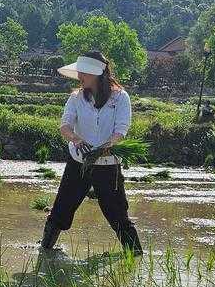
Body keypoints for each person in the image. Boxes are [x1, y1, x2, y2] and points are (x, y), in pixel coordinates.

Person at [40, 51, 142, 255]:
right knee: (61, 209)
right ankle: (44, 251)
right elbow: (65, 126)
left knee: (117, 213)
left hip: (107, 163)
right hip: (79, 162)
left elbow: (121, 129)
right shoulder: (76, 98)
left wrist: (107, 145)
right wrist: (76, 139)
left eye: (83, 73)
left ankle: (136, 254)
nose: (80, 77)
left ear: (96, 73)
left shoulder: (120, 97)